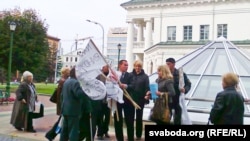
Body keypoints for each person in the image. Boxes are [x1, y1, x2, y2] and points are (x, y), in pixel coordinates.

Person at [60, 67, 90, 141]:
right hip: (73, 111)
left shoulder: (67, 82)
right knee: (73, 131)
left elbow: (62, 95)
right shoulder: (75, 82)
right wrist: (85, 90)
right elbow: (79, 94)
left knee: (64, 131)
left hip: (65, 109)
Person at [45, 67, 70, 140]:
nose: (69, 73)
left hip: (62, 105)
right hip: (63, 105)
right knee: (61, 122)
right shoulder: (63, 81)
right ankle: (50, 135)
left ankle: (51, 135)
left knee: (61, 121)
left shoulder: (62, 81)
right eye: (68, 71)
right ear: (64, 72)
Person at [166, 57, 191, 125]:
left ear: (174, 64)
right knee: (166, 120)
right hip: (168, 100)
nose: (167, 66)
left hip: (177, 100)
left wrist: (185, 89)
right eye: (166, 64)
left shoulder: (180, 74)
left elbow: (188, 84)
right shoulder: (165, 74)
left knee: (177, 120)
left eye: (169, 64)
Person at [114, 60, 135, 141]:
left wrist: (125, 86)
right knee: (118, 121)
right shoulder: (114, 75)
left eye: (127, 65)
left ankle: (130, 138)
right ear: (120, 65)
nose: (126, 66)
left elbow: (133, 86)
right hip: (117, 101)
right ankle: (119, 138)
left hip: (128, 101)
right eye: (125, 65)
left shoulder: (130, 75)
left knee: (129, 121)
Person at [131, 60, 149, 140]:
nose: (137, 68)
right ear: (134, 66)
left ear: (141, 67)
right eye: (136, 66)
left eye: (139, 66)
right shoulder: (130, 75)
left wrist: (146, 96)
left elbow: (147, 87)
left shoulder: (145, 76)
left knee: (139, 118)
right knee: (130, 118)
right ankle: (130, 134)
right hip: (131, 100)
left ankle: (138, 135)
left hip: (140, 100)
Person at [96, 65, 111, 139]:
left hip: (108, 100)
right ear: (102, 68)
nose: (107, 68)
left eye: (108, 67)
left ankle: (105, 131)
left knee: (107, 117)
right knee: (100, 117)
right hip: (100, 100)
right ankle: (100, 133)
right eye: (105, 67)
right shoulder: (99, 75)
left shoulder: (110, 75)